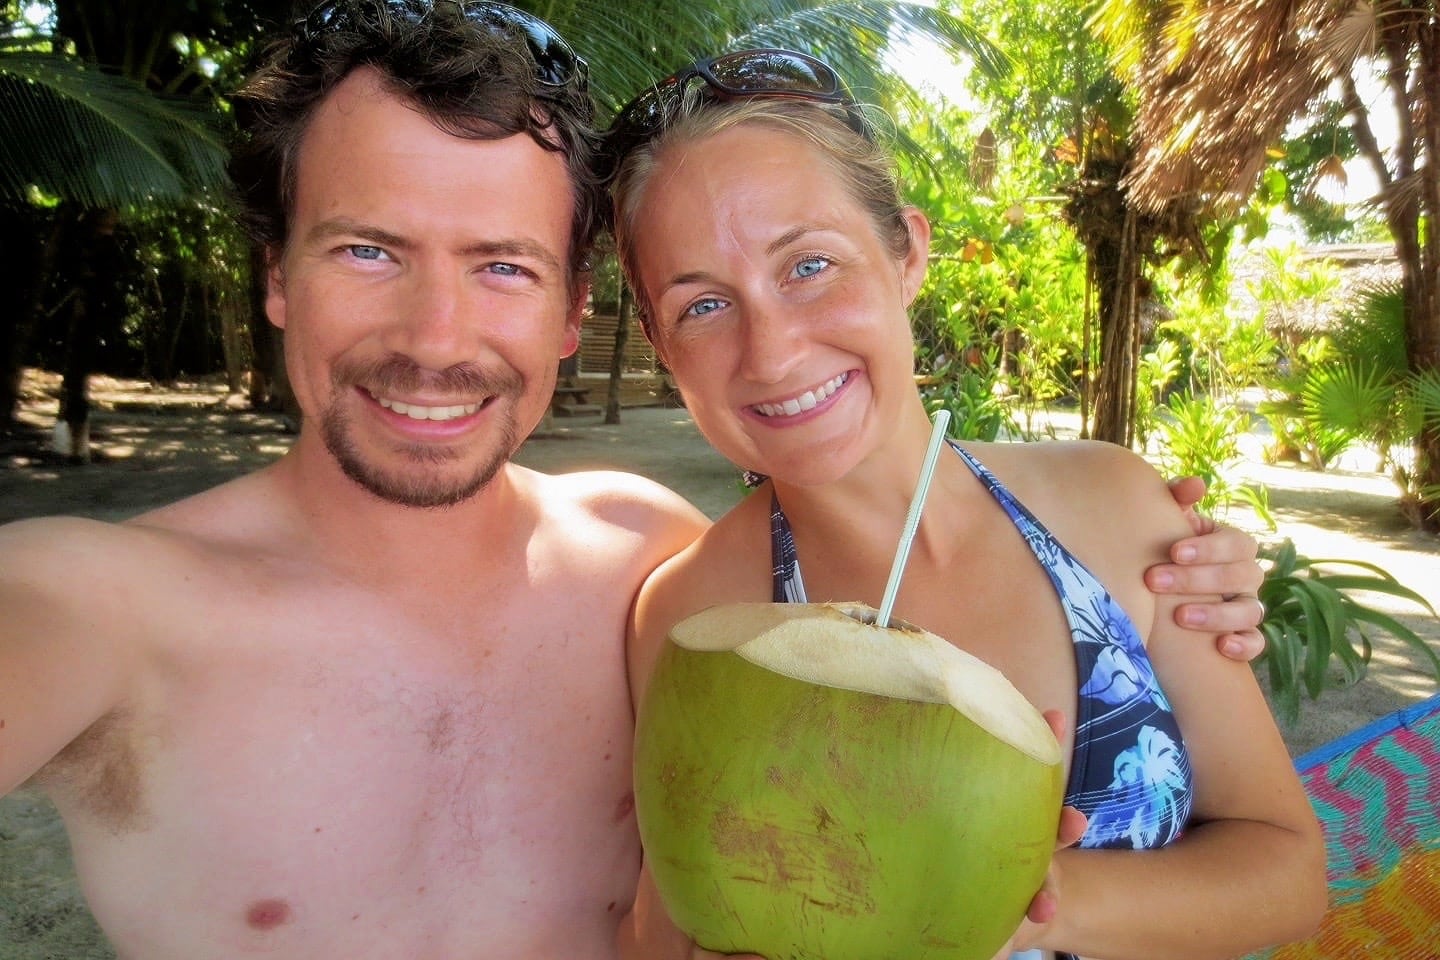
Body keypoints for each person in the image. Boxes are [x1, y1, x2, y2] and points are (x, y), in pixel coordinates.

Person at [0, 6, 1264, 958]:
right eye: (369, 249)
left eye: (502, 264)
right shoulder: (93, 605)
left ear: (571, 313)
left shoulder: (648, 565)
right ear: (277, 274)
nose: (438, 337)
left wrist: (1198, 576)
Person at [609, 51, 1326, 960]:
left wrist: (1011, 898)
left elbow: (1290, 871)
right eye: (704, 305)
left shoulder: (1113, 508)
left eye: (810, 265)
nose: (774, 351)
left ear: (907, 252)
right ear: (666, 353)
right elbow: (667, 935)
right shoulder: (690, 616)